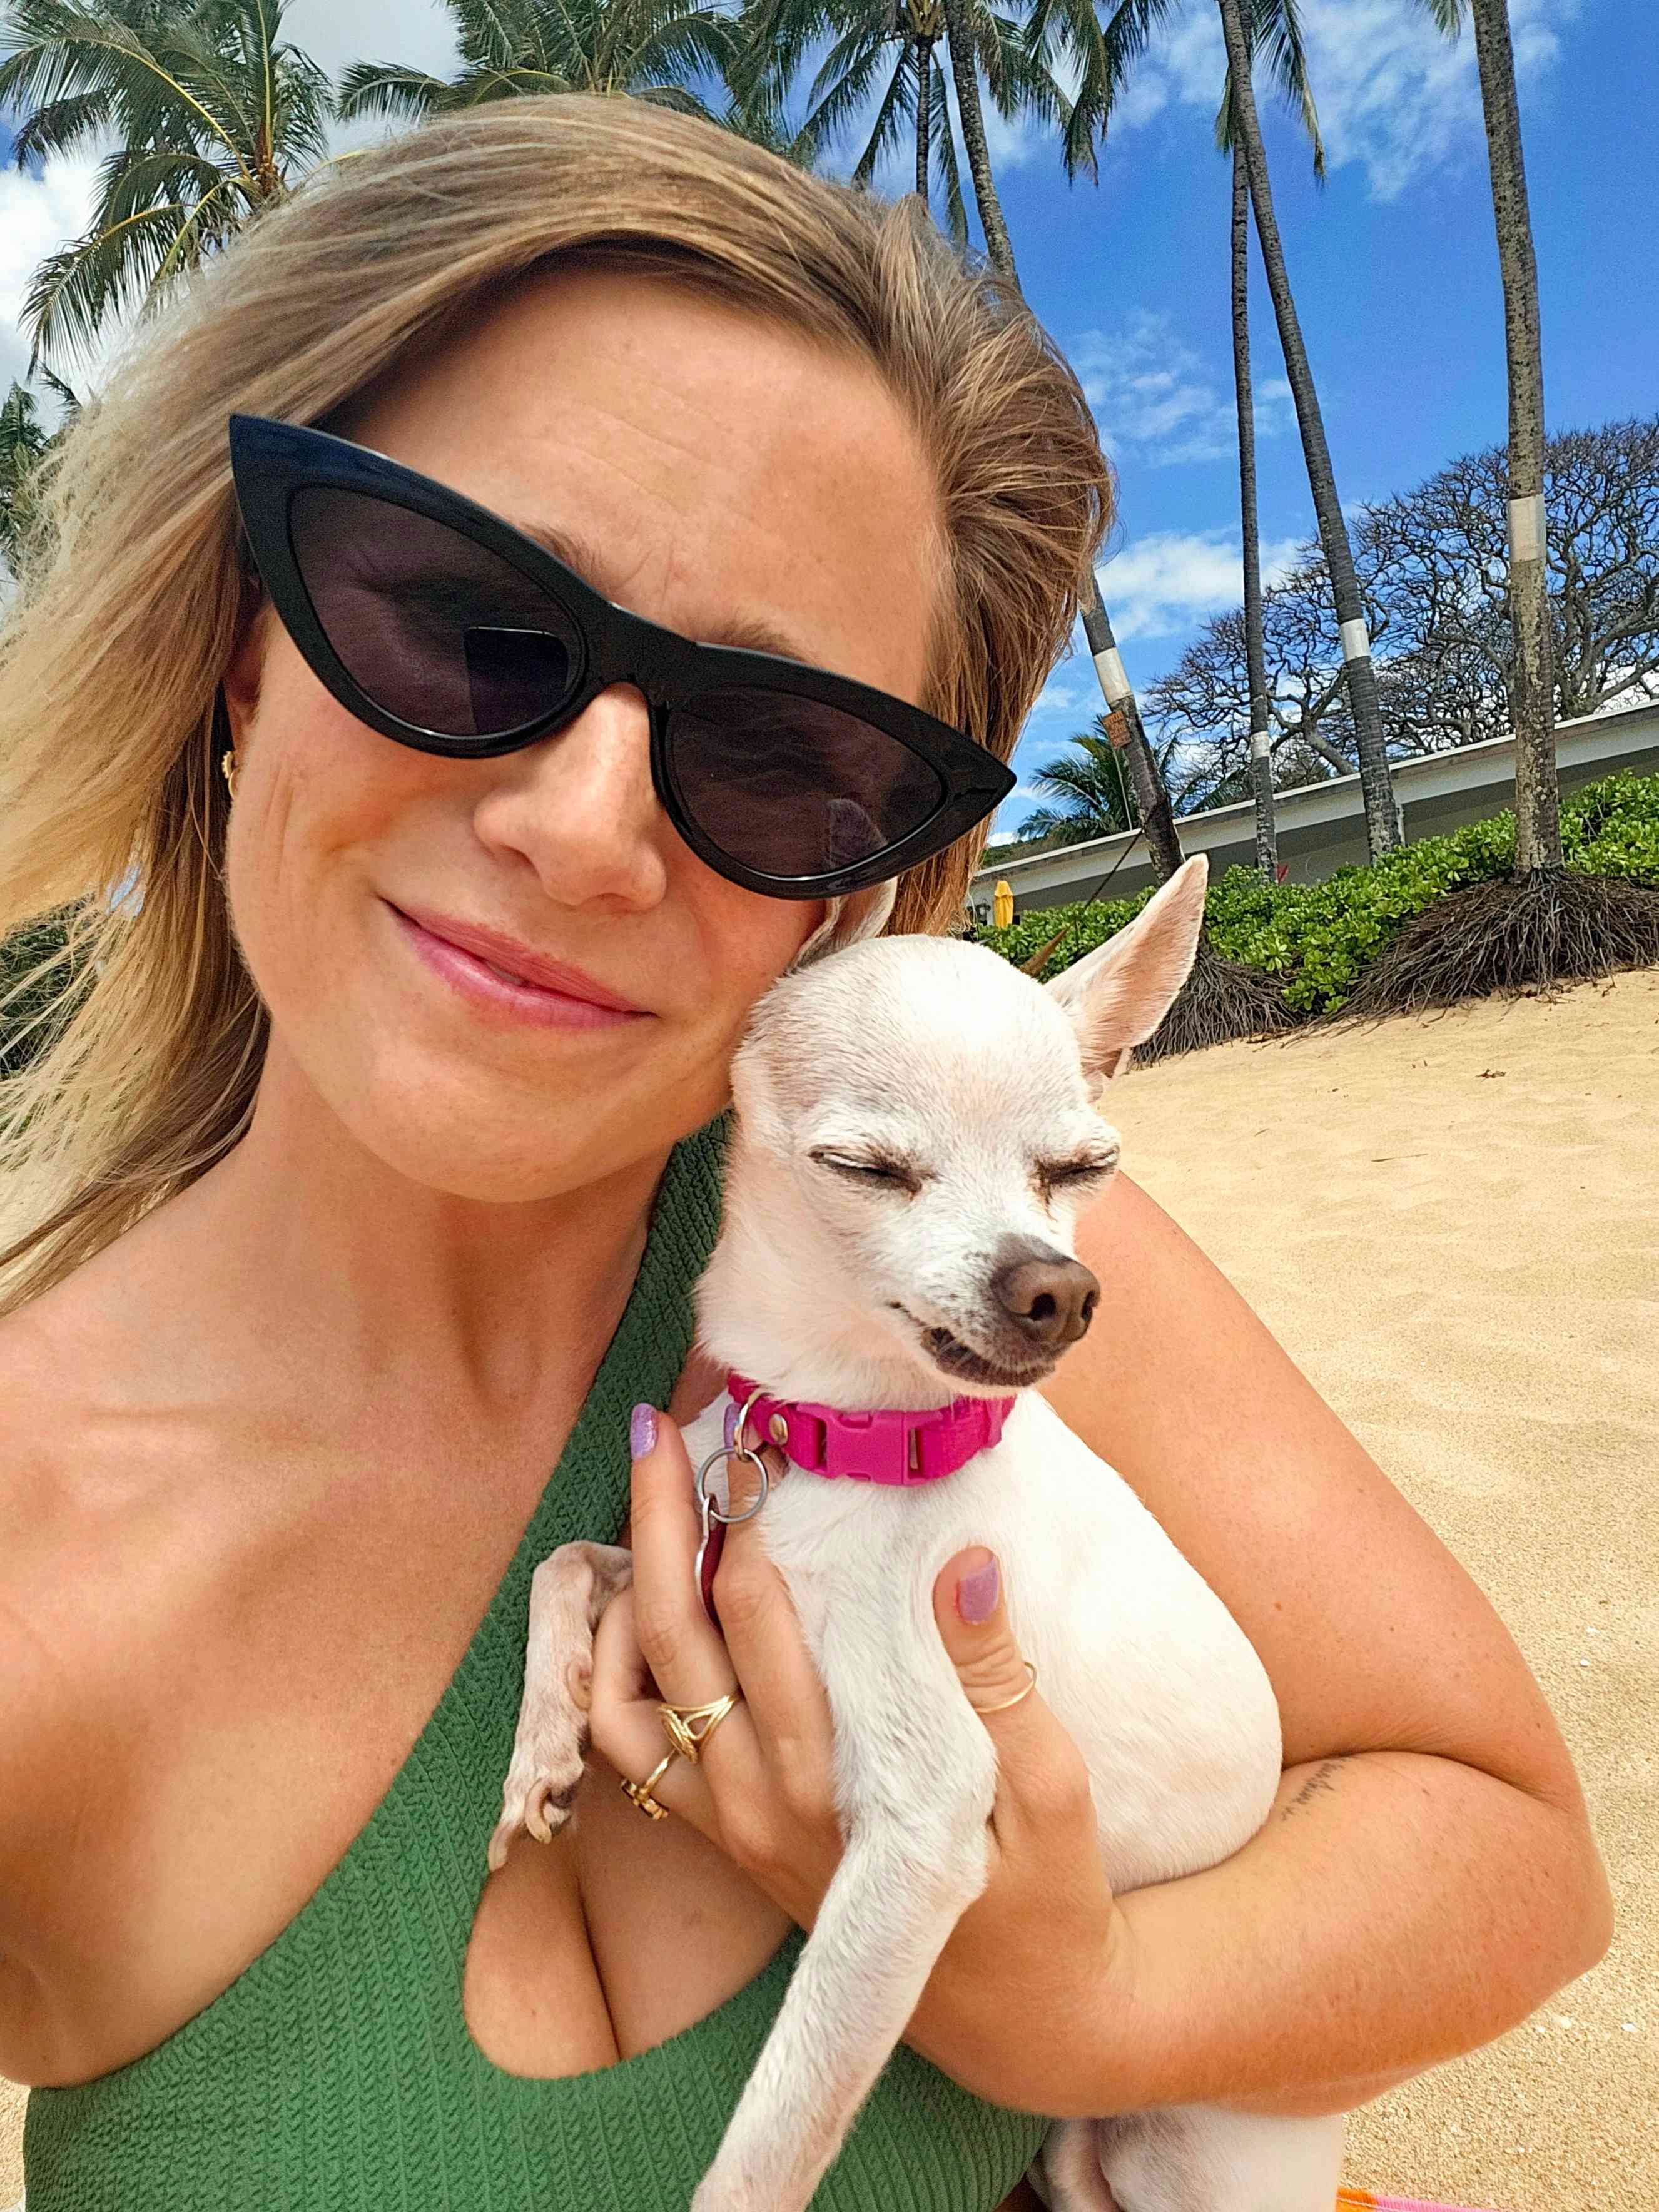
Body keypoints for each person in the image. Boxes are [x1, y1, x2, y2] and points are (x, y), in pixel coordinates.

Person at [0, 96, 1609, 2212]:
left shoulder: (921, 1265)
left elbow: (1511, 1853)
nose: (583, 830)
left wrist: (1063, 2009)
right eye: (464, 626)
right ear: (241, 643)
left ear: (860, 882)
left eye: (777, 752)